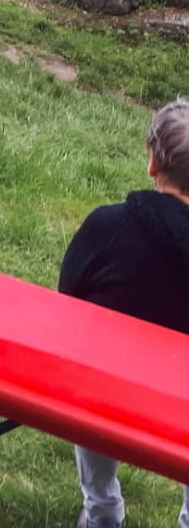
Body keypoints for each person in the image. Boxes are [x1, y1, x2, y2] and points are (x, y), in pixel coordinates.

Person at [58, 98, 189, 528]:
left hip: (106, 399)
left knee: (94, 366)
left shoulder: (106, 227)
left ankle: (101, 509)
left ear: (152, 162)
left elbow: (66, 300)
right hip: (183, 408)